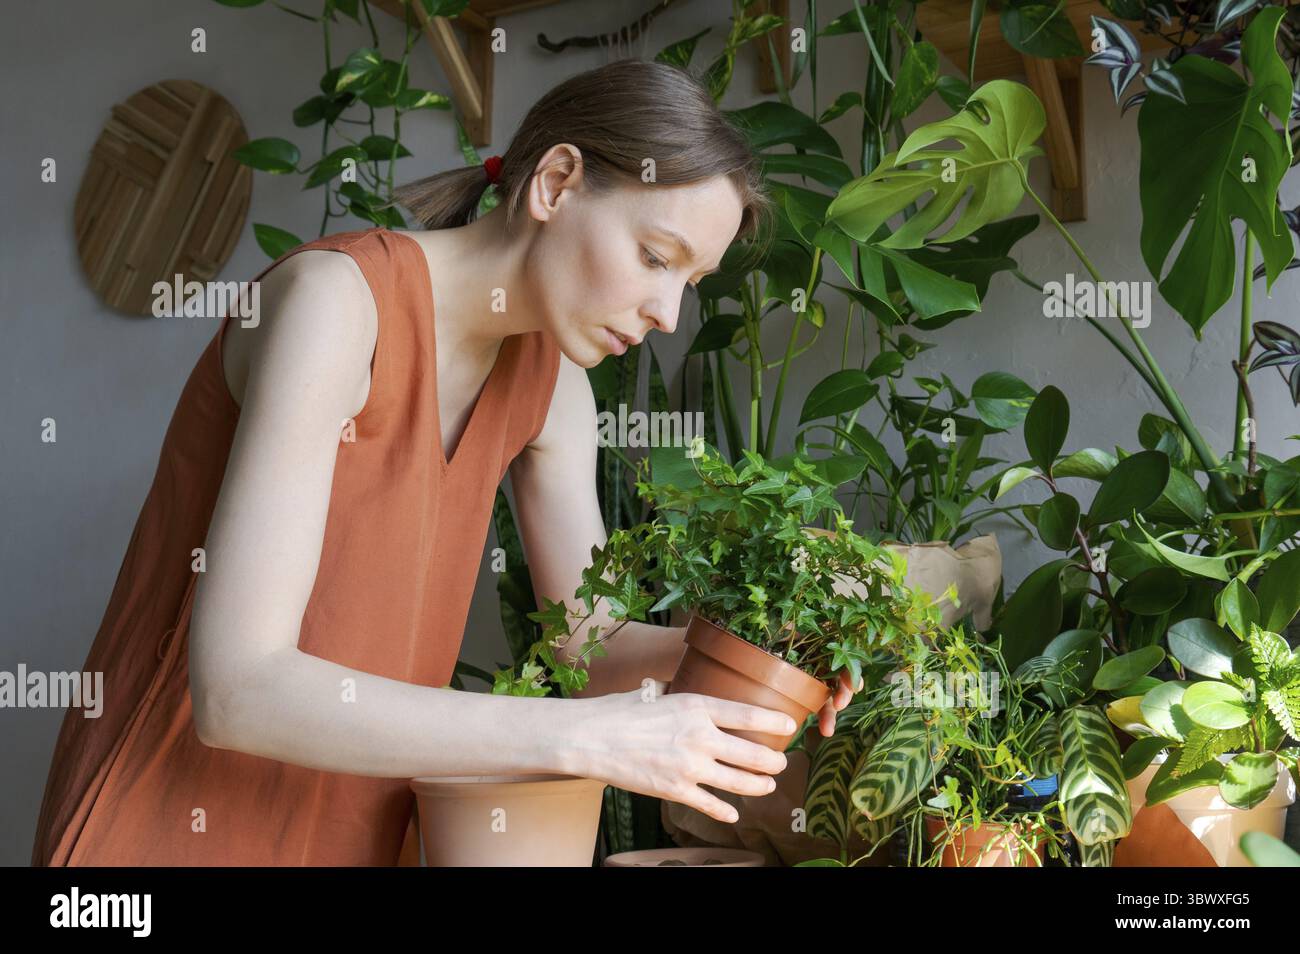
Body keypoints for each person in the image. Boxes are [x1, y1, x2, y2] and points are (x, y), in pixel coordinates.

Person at [31, 58, 858, 866]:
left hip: (351, 836)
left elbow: (587, 645)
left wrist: (766, 654)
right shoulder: (336, 305)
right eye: (655, 256)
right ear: (556, 183)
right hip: (158, 828)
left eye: (692, 280)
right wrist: (588, 741)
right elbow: (237, 689)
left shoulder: (557, 383)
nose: (670, 314)